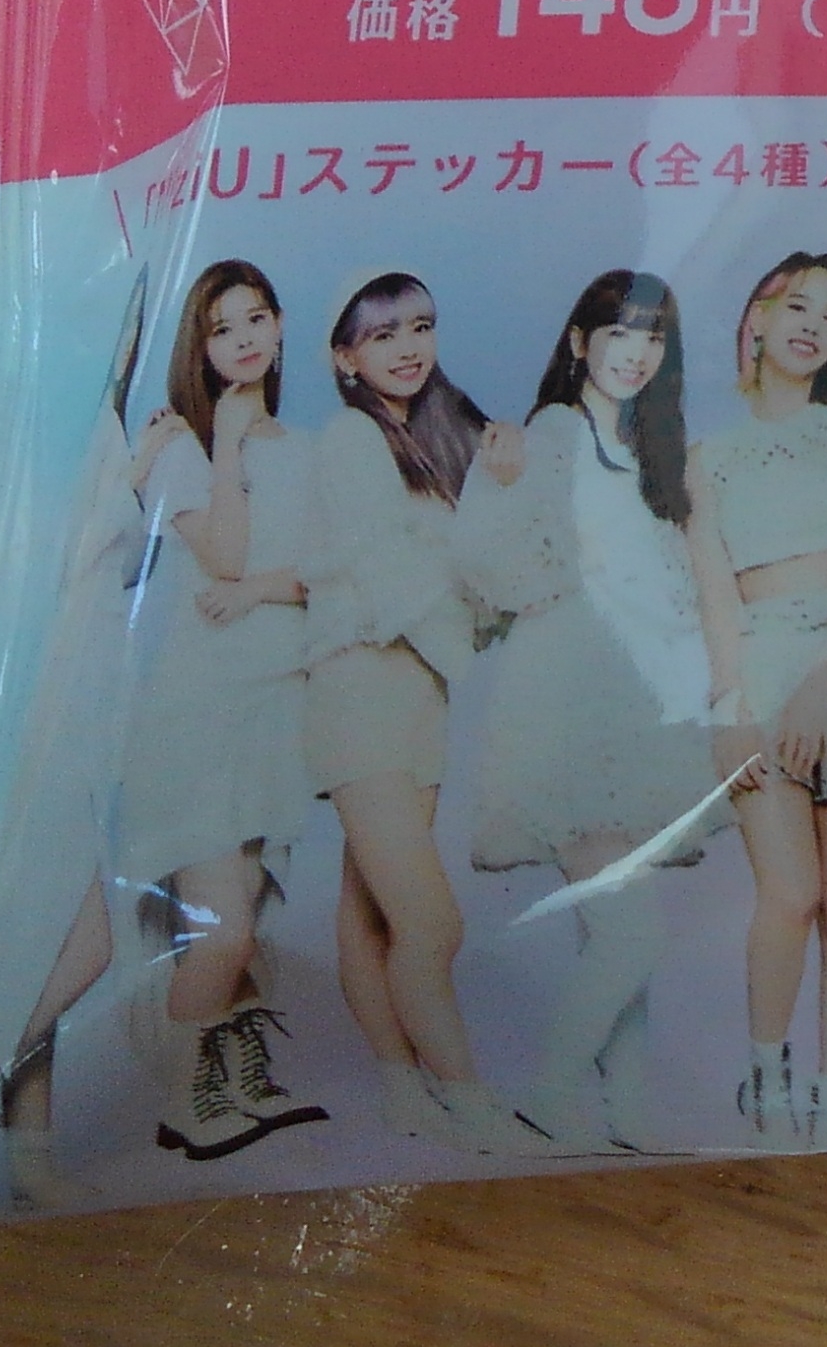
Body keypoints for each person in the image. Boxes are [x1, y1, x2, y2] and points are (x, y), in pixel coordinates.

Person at [454, 269, 722, 1150]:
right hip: (574, 706)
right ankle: (550, 1092)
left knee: (621, 927)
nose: (636, 353)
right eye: (619, 333)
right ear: (580, 342)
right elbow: (498, 575)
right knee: (628, 933)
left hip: (636, 710)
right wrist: (500, 486)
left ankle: (627, 1111)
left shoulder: (647, 453)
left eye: (653, 338)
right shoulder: (555, 433)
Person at [298, 272, 539, 1151]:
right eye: (384, 333)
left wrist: (502, 489)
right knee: (433, 922)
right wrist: (476, 653)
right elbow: (393, 581)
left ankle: (403, 1093)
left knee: (373, 914)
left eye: (421, 326)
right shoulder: (350, 438)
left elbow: (498, 595)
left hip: (421, 697)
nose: (408, 347)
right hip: (359, 684)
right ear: (345, 357)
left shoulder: (440, 444)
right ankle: (469, 1102)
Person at [683, 252, 827, 1146]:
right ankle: (767, 1088)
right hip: (759, 664)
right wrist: (732, 708)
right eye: (797, 306)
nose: (813, 325)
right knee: (789, 893)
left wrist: (824, 681)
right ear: (758, 316)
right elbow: (715, 597)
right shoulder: (707, 456)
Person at [0, 273, 157, 1207]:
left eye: (132, 327)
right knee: (82, 941)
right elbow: (50, 565)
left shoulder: (101, 422)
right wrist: (137, 481)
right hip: (50, 711)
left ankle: (30, 1153)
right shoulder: (60, 430)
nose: (124, 345)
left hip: (83, 705)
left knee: (41, 937)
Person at [108, 259, 331, 1161]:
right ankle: (182, 1101)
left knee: (247, 922)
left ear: (279, 326)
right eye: (221, 326)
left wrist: (267, 589)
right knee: (222, 927)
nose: (243, 338)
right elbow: (228, 558)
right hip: (199, 715)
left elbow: (339, 574)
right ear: (198, 347)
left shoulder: (307, 448)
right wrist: (230, 441)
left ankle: (236, 1078)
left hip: (275, 709)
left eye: (256, 317)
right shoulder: (181, 449)